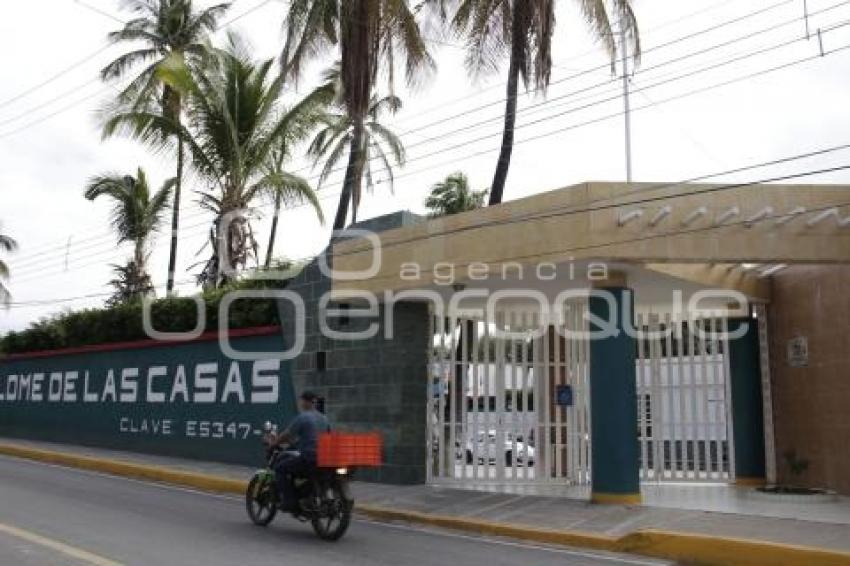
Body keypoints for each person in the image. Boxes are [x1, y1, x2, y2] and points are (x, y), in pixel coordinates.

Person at [270, 390, 330, 512]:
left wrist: (275, 443)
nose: (301, 403)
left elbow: (287, 435)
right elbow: (326, 436)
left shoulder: (303, 417)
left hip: (309, 459)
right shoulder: (324, 419)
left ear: (305, 402)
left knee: (280, 468)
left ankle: (289, 501)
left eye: (302, 401)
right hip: (324, 459)